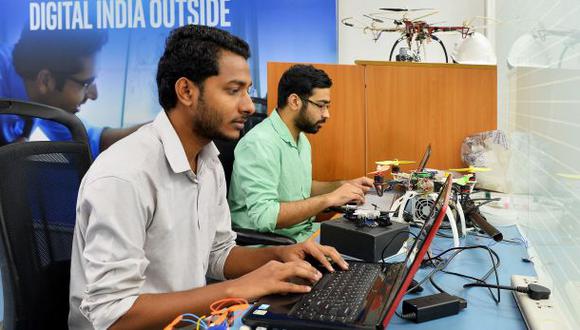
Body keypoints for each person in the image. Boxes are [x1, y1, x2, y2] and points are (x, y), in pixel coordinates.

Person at [68, 25, 348, 329]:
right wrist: (236, 289)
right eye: (233, 90)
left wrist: (280, 254)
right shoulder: (124, 175)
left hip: (193, 321)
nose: (247, 105)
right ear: (186, 91)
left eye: (247, 90)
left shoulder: (209, 160)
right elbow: (113, 316)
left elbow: (217, 254)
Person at [227, 64, 374, 242]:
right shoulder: (259, 144)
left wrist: (344, 186)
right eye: (321, 105)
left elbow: (300, 189)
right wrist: (329, 199)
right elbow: (266, 217)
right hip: (271, 245)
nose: (327, 114)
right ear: (295, 101)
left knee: (374, 241)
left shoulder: (300, 139)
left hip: (303, 234)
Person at [0, 28, 142, 157]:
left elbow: (92, 142)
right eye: (86, 83)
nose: (94, 95)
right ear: (45, 80)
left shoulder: (41, 93)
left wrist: (157, 127)